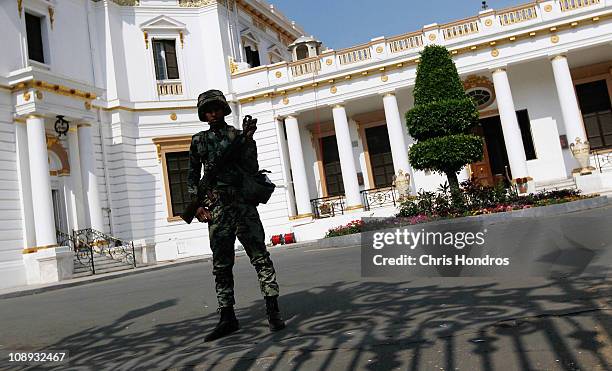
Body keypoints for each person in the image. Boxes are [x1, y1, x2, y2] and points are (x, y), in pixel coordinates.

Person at [187, 89, 286, 342]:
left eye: (216, 108)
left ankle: (272, 310)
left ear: (223, 109)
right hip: (218, 209)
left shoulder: (237, 136)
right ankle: (227, 316)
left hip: (242, 205)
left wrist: (249, 140)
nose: (212, 113)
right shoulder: (198, 141)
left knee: (260, 257)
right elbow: (191, 177)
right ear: (203, 114)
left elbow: (251, 168)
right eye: (208, 110)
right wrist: (197, 206)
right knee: (221, 265)